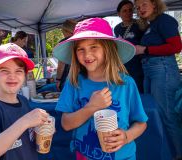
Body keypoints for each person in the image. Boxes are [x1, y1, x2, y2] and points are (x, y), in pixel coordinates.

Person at [53, 18, 148, 160]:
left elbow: (141, 123)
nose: (87, 55)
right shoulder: (73, 82)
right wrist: (91, 107)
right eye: (81, 49)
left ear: (108, 49)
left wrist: (127, 136)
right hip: (84, 155)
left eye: (94, 47)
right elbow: (66, 124)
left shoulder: (126, 83)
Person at [0, 43, 49, 160]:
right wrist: (26, 121)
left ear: (24, 75)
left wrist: (41, 131)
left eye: (18, 71)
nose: (12, 76)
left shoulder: (23, 101)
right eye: (4, 70)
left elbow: (25, 138)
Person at [134, 0, 182, 159]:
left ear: (155, 4)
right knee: (156, 113)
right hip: (150, 70)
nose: (140, 9)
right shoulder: (149, 25)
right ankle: (167, 152)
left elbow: (176, 47)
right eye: (138, 7)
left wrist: (145, 49)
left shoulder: (164, 20)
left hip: (163, 70)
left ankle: (177, 154)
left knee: (167, 115)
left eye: (144, 4)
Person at [114, 0, 144, 93]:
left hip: (138, 64)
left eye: (130, 10)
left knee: (138, 89)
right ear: (119, 13)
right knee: (125, 90)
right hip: (123, 64)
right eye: (124, 11)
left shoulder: (140, 24)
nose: (128, 13)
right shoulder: (117, 28)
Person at [56, 19, 77, 91]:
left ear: (66, 30)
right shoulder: (81, 40)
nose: (63, 33)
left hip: (67, 78)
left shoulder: (64, 43)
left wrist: (58, 79)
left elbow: (61, 65)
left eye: (63, 31)